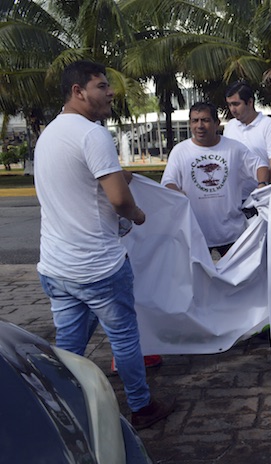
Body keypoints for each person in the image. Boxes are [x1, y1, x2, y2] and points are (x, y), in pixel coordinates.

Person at [34, 60, 175, 430]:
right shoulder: (92, 133)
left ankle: (56, 404)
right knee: (125, 339)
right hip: (97, 266)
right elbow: (117, 200)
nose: (111, 92)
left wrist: (121, 174)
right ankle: (142, 407)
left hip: (56, 265)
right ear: (78, 91)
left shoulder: (49, 134)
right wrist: (138, 214)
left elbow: (84, 181)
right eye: (102, 86)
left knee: (68, 342)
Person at [161, 102, 270, 257]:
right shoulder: (179, 151)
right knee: (197, 281)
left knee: (237, 280)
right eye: (195, 121)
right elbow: (168, 182)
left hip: (232, 234)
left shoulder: (234, 148)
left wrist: (262, 184)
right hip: (195, 233)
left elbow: (261, 166)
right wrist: (177, 193)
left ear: (216, 123)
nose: (199, 126)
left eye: (205, 120)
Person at [223, 81, 271, 198]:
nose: (232, 109)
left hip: (261, 198)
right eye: (230, 105)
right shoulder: (230, 126)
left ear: (250, 102)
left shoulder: (270, 125)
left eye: (236, 104)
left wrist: (264, 191)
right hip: (235, 198)